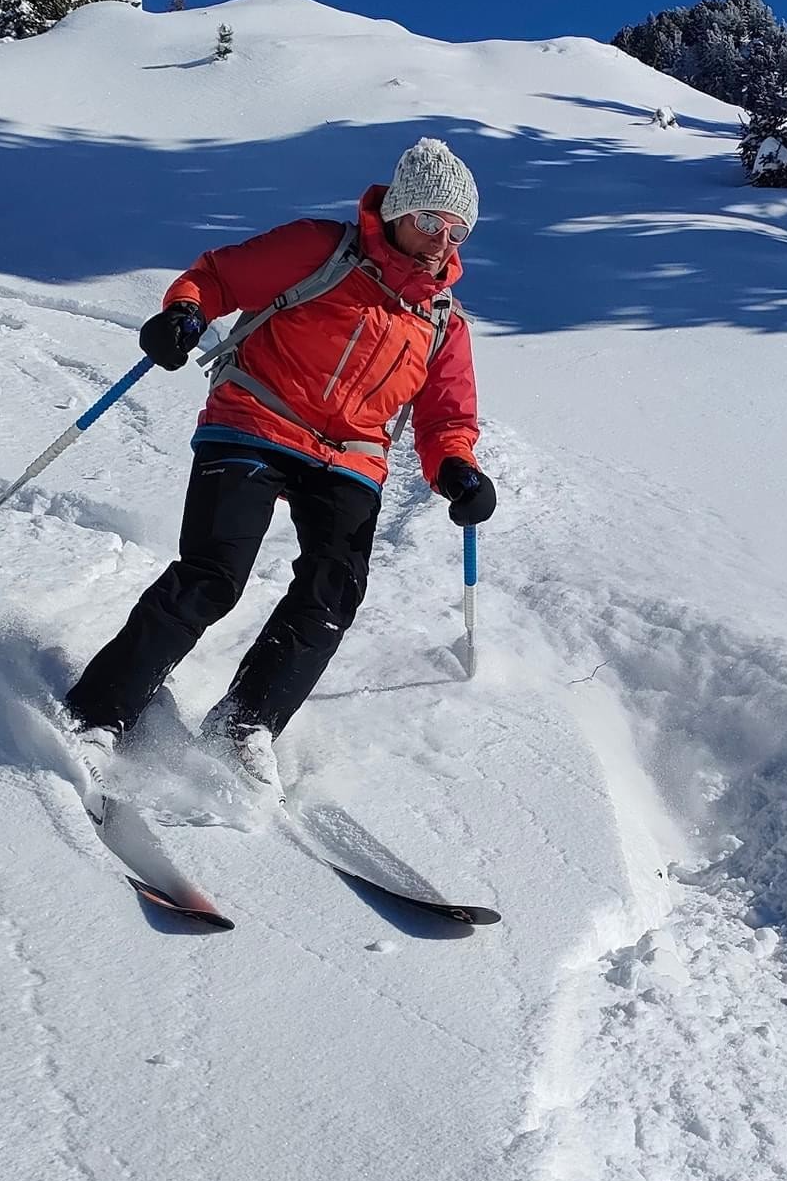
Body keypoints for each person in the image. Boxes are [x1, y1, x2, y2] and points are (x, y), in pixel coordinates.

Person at [64, 137, 497, 781]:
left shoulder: (442, 320)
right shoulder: (321, 249)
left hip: (351, 457)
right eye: (431, 220)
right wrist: (185, 314)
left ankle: (244, 726)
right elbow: (217, 277)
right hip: (255, 420)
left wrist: (457, 468)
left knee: (333, 592)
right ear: (400, 211)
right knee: (214, 572)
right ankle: (98, 713)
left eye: (458, 229)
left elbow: (445, 418)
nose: (442, 240)